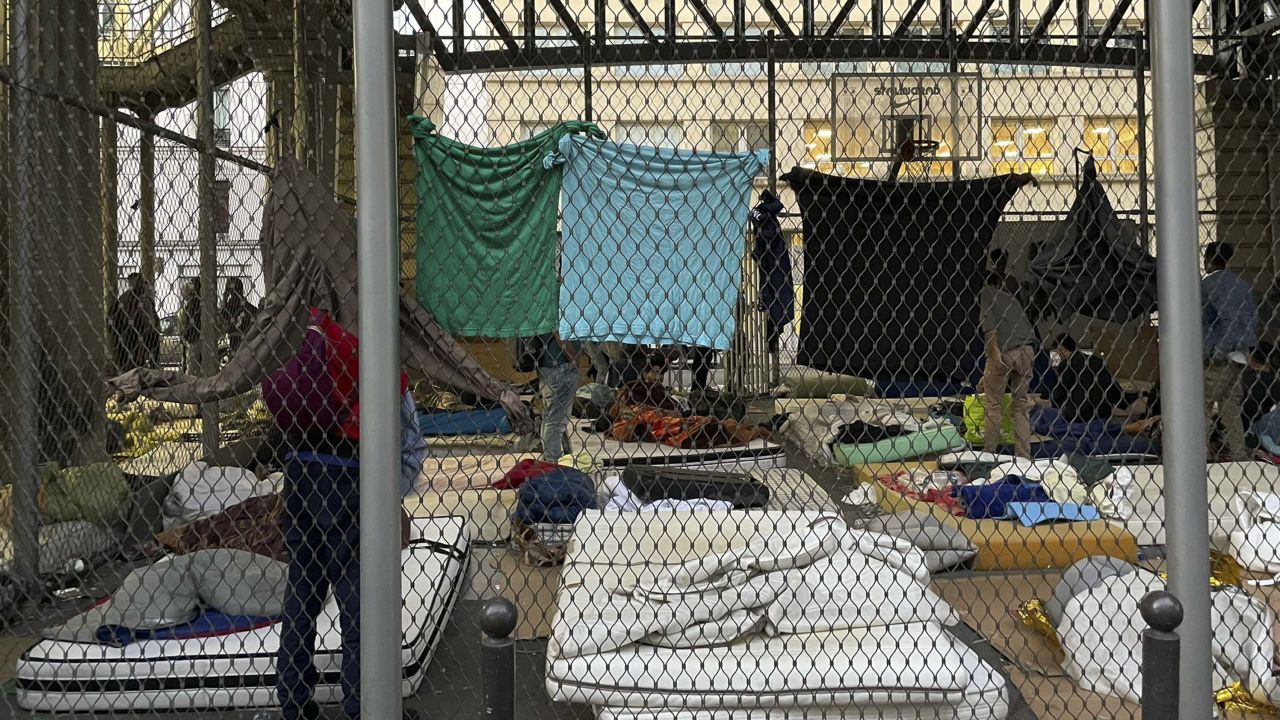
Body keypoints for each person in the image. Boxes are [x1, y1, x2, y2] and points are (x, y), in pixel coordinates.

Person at [263, 307, 425, 720]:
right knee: (359, 604)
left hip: (300, 474)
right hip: (349, 479)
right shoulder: (374, 344)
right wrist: (391, 500)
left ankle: (294, 703)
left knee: (302, 593)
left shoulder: (299, 338)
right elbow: (410, 441)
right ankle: (362, 707)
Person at [609, 354, 772, 449]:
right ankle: (761, 427)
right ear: (645, 373)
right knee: (712, 425)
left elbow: (669, 407)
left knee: (714, 419)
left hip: (676, 415)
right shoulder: (638, 389)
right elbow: (637, 411)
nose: (658, 378)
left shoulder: (658, 389)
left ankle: (762, 425)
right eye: (655, 373)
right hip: (662, 419)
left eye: (661, 374)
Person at [979, 249, 1038, 457]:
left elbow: (990, 330)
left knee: (993, 405)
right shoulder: (1012, 297)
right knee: (1021, 407)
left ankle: (989, 453)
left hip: (1007, 350)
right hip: (1028, 349)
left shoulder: (985, 294)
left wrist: (994, 358)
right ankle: (1024, 455)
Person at [1202, 241, 1257, 461]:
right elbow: (1251, 317)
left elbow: (1228, 319)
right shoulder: (1242, 284)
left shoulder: (1209, 285)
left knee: (1201, 404)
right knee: (1230, 406)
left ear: (1207, 259)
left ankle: (1198, 455)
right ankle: (1239, 454)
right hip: (1240, 355)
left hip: (1221, 354)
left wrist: (1218, 350)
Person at [1048, 334, 1124, 423]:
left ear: (1063, 349)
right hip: (1102, 414)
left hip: (1079, 416)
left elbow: (1059, 393)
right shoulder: (1099, 361)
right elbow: (1113, 389)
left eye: (1058, 352)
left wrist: (1053, 407)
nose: (1059, 357)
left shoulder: (1066, 365)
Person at [530, 333, 578, 460]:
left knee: (549, 416)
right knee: (556, 421)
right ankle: (553, 461)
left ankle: (548, 457)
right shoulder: (558, 312)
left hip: (548, 367)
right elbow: (560, 332)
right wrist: (573, 359)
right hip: (561, 367)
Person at [108, 272, 161, 372]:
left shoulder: (130, 297)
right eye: (140, 282)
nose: (143, 284)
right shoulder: (129, 298)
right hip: (133, 332)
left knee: (138, 361)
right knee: (136, 361)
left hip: (139, 332)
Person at [220, 278, 258, 353]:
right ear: (242, 290)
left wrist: (224, 299)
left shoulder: (228, 308)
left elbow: (222, 324)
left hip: (234, 342)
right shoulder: (250, 308)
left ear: (229, 292)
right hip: (249, 342)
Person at [176, 278, 203, 374]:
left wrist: (186, 336)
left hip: (194, 338)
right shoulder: (195, 302)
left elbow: (192, 322)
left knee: (191, 367)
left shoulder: (194, 303)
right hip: (194, 337)